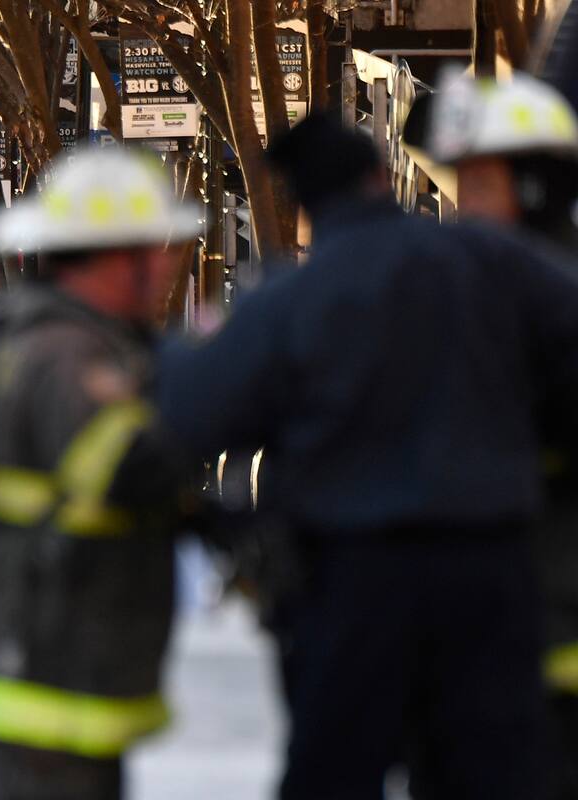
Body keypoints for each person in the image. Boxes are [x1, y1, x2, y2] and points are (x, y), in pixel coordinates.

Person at [155, 111, 578, 799]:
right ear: (381, 177)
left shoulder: (290, 298)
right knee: (493, 772)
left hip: (353, 578)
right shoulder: (488, 261)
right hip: (490, 568)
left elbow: (192, 416)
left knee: (335, 772)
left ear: (304, 198)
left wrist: (176, 355)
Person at [0, 147, 200, 800]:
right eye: (156, 249)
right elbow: (128, 468)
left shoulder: (43, 338)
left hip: (53, 659)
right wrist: (211, 389)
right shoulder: (69, 357)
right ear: (117, 256)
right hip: (56, 665)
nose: (166, 265)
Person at [418, 69, 578, 800]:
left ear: (540, 182)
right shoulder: (452, 288)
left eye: (483, 185)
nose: (465, 205)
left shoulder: (546, 297)